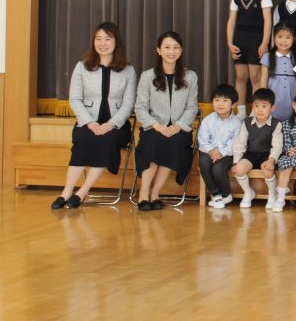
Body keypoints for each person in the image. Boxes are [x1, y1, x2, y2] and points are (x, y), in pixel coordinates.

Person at [52, 22, 137, 209]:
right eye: (98, 39)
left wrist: (111, 124)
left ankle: (82, 192)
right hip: (87, 122)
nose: (102, 43)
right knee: (84, 139)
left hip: (117, 126)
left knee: (106, 140)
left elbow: (128, 104)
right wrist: (90, 123)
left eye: (107, 39)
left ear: (116, 42)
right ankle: (66, 191)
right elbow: (75, 99)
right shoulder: (82, 67)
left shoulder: (128, 70)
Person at [133, 31, 200, 211]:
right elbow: (140, 108)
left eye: (176, 48)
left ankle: (155, 193)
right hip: (153, 127)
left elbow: (192, 107)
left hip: (179, 129)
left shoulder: (190, 76)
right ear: (159, 50)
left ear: (181, 51)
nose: (171, 52)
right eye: (167, 47)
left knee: (174, 143)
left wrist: (177, 126)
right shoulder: (147, 76)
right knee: (154, 143)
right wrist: (157, 126)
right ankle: (143, 193)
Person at [225, 0, 273, 116]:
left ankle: (256, 111)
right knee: (240, 76)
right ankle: (241, 111)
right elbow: (231, 21)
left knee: (255, 76)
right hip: (239, 39)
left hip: (257, 39)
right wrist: (230, 43)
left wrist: (265, 42)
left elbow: (268, 20)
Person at [230, 88, 283, 209]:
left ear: (272, 108)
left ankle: (272, 194)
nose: (260, 109)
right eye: (256, 106)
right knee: (239, 169)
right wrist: (236, 161)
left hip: (267, 155)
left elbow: (277, 146)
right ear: (252, 107)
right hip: (251, 154)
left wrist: (271, 160)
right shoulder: (247, 122)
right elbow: (240, 143)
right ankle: (248, 193)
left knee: (268, 170)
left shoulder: (276, 124)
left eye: (264, 106)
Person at [197, 84, 242, 209]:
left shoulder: (237, 122)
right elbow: (203, 140)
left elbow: (235, 143)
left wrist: (221, 153)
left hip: (228, 154)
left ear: (233, 104)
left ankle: (226, 194)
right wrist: (211, 151)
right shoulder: (207, 120)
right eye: (216, 100)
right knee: (204, 162)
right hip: (210, 152)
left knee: (218, 168)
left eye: (225, 100)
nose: (220, 104)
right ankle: (216, 193)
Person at [260, 22, 296, 123]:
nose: (283, 41)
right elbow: (263, 80)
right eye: (280, 36)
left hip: (292, 98)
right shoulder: (267, 57)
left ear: (294, 39)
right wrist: (263, 99)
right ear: (274, 38)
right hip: (273, 97)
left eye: (288, 37)